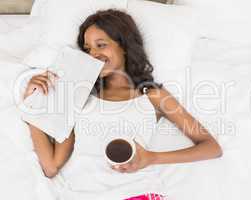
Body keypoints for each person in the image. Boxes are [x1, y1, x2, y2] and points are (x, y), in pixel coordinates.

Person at [23, 9, 222, 200]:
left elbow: (211, 147)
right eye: (88, 49)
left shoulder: (153, 95)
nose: (94, 54)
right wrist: (34, 102)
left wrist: (152, 157)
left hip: (136, 192)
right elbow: (51, 166)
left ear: (124, 46)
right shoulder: (77, 95)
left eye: (101, 45)